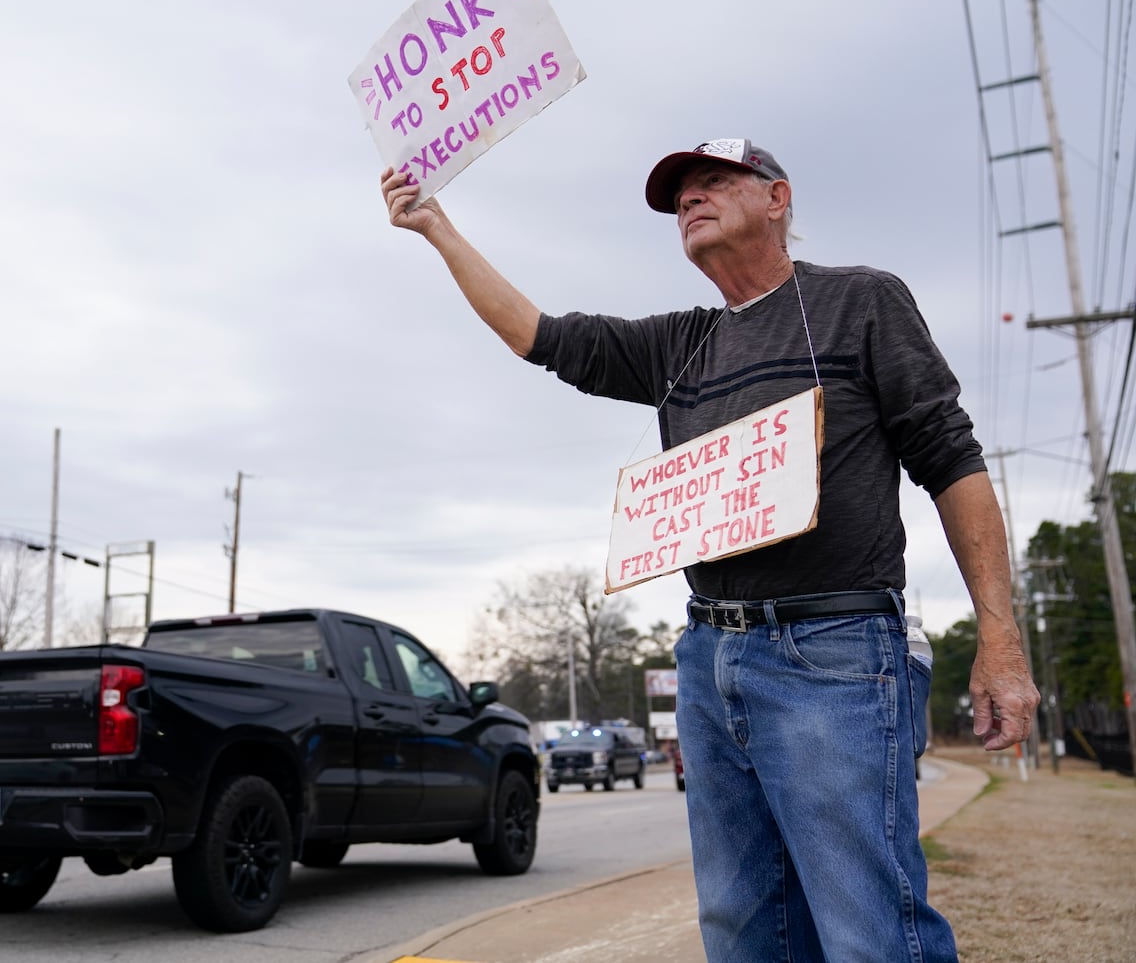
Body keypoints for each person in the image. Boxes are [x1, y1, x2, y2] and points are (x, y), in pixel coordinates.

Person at [380, 140, 1039, 962]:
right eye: (681, 194)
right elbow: (539, 336)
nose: (692, 199)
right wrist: (437, 228)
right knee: (741, 925)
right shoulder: (679, 345)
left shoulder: (859, 302)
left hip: (833, 650)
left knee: (867, 923)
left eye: (714, 182)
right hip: (709, 654)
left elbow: (951, 459)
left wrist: (1001, 639)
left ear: (778, 198)